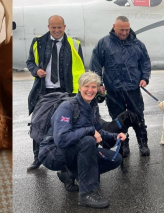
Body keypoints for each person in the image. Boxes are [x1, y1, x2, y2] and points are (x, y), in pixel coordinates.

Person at [38, 71, 126, 209]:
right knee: (88, 141)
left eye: (93, 87)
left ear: (97, 89)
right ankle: (87, 194)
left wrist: (115, 136)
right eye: (86, 86)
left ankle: (70, 173)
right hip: (52, 153)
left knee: (115, 159)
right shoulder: (67, 106)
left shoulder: (93, 106)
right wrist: (90, 131)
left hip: (73, 150)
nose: (90, 90)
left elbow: (98, 130)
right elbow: (61, 139)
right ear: (79, 87)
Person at [26, 15, 85, 171]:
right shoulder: (38, 42)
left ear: (64, 27)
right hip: (44, 91)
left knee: (65, 125)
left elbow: (81, 68)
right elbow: (30, 62)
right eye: (54, 27)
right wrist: (35, 70)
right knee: (39, 124)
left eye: (59, 27)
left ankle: (66, 161)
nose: (57, 30)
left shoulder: (74, 44)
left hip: (65, 91)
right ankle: (37, 158)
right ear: (48, 27)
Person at [90, 16, 151, 157]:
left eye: (127, 30)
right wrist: (98, 83)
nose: (124, 33)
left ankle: (143, 144)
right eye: (121, 30)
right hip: (113, 90)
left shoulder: (138, 44)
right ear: (114, 27)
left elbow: (145, 62)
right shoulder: (103, 43)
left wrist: (144, 78)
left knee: (138, 117)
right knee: (117, 120)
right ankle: (123, 145)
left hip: (132, 89)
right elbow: (96, 64)